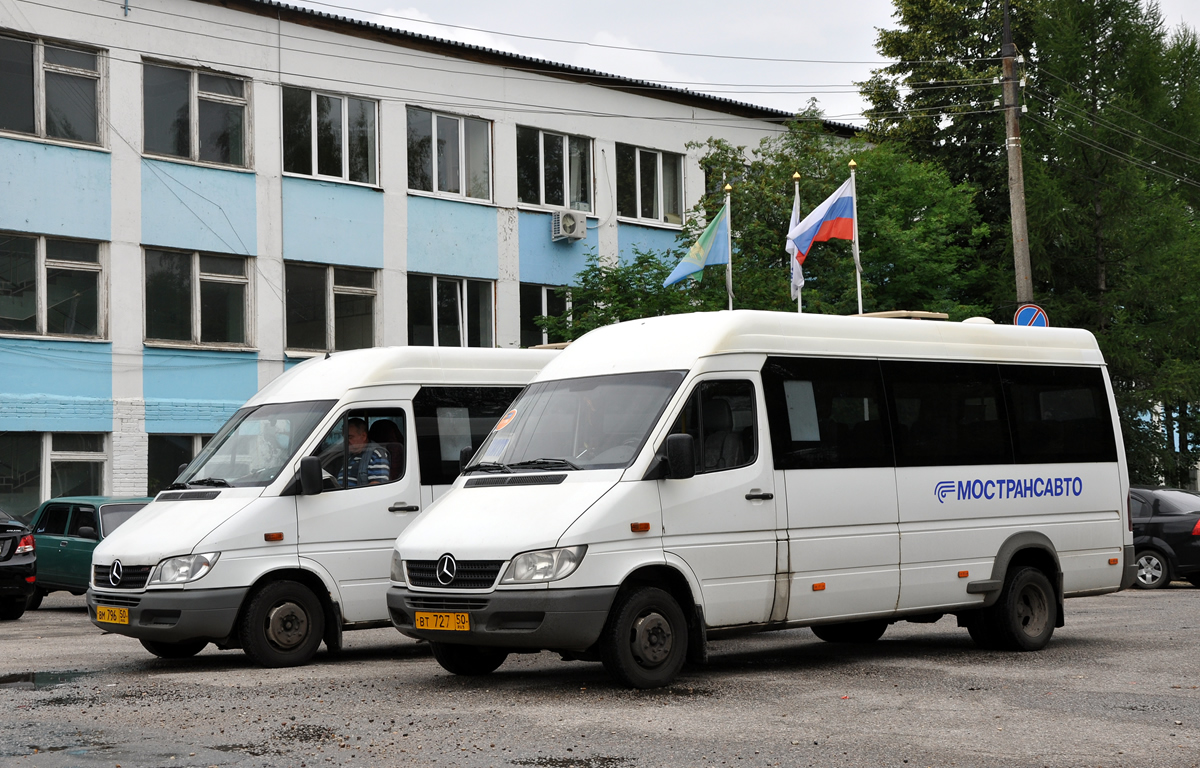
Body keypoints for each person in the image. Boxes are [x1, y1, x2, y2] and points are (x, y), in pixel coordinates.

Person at [345, 418, 389, 487]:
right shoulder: (349, 455)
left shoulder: (376, 454)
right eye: (344, 437)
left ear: (363, 436)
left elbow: (377, 487)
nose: (346, 441)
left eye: (350, 437)